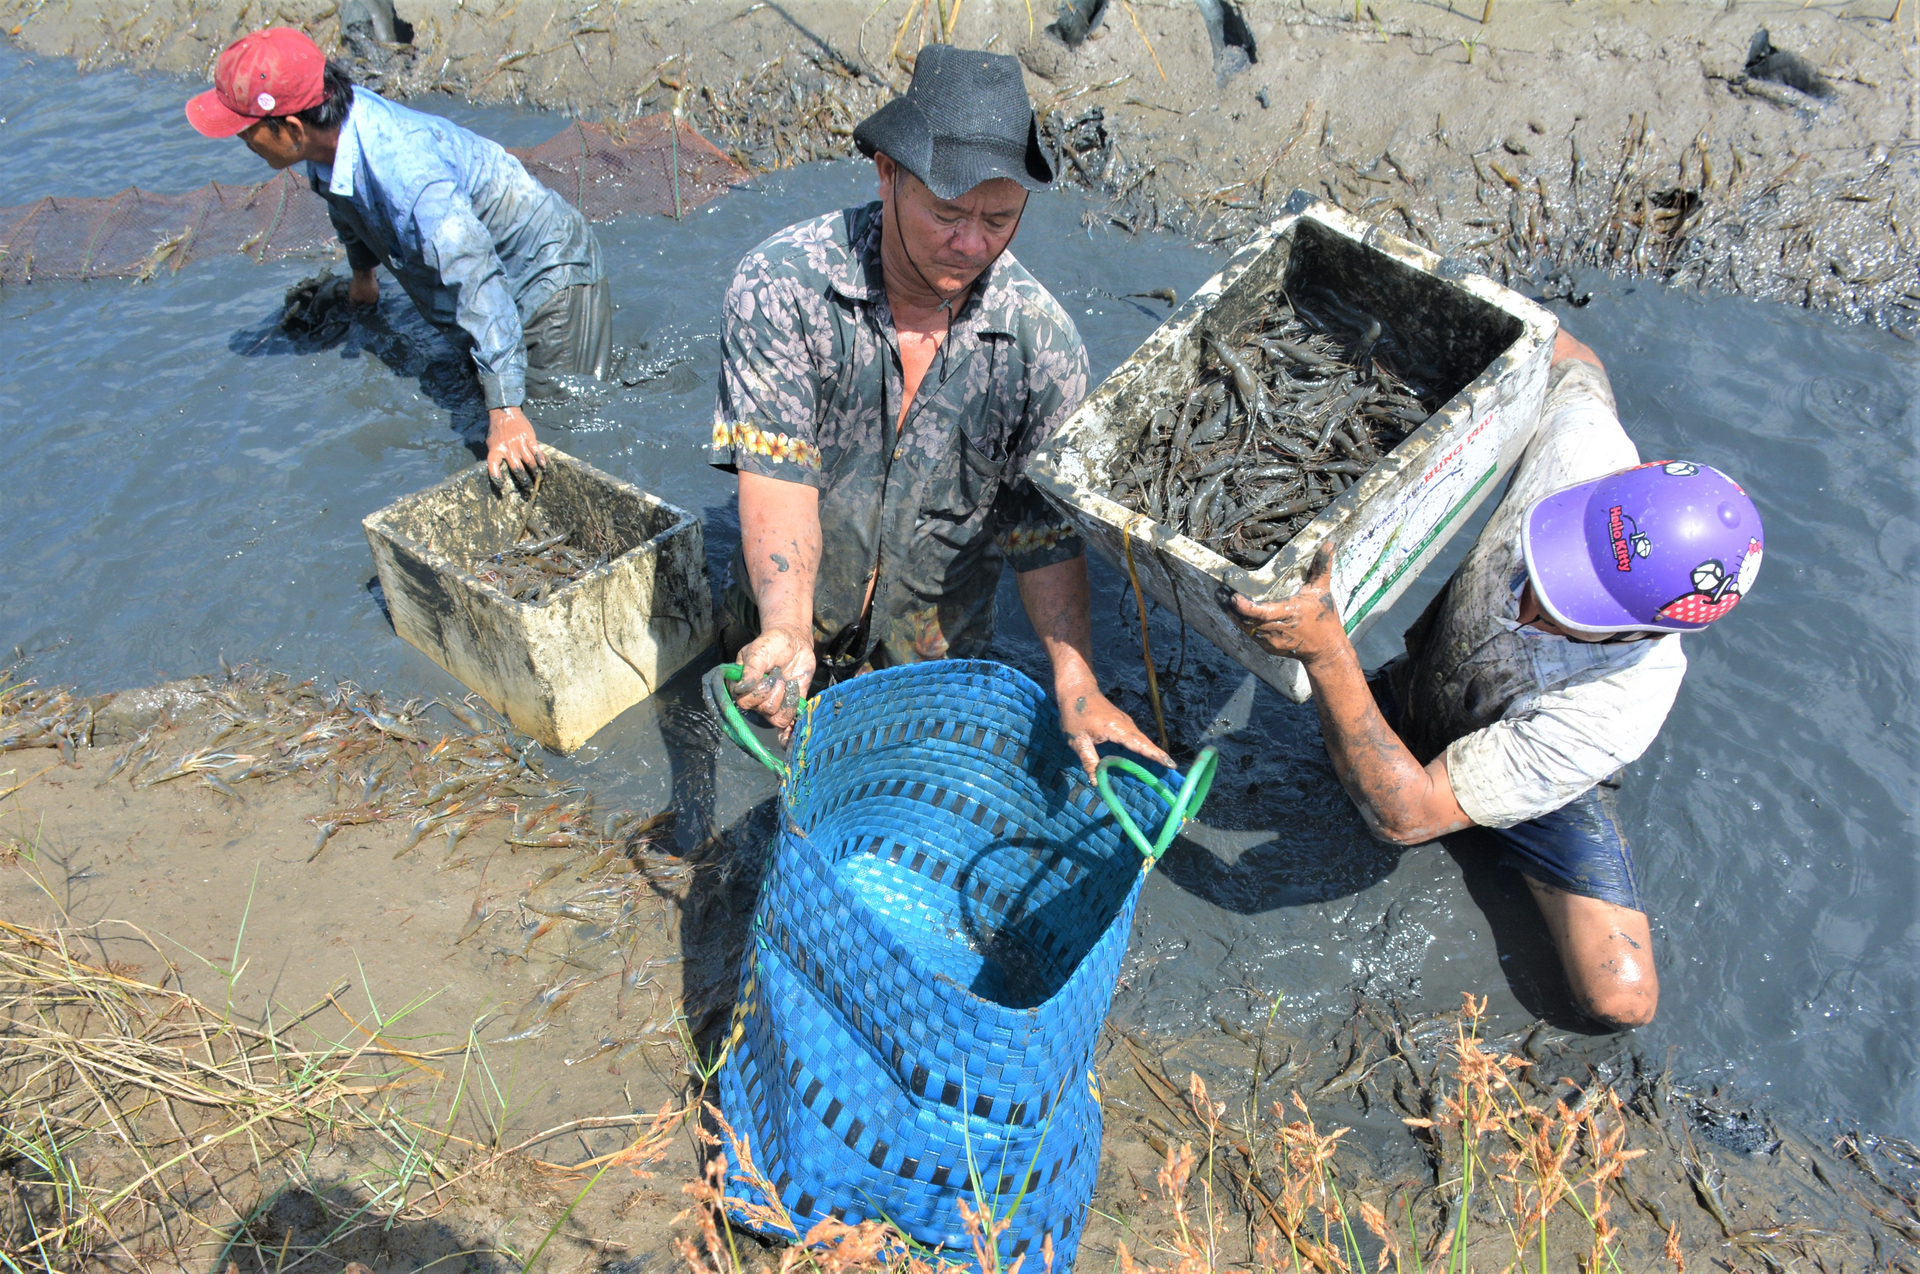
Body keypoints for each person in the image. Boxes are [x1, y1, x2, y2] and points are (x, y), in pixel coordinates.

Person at [1223, 330, 1764, 1030]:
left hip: (1526, 764)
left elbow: (1403, 818)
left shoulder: (1619, 704)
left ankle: (1492, 812)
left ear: (1647, 629)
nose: (1532, 600)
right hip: (1415, 692)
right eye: (1555, 562)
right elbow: (1573, 361)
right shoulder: (1585, 455)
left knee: (1619, 996)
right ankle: (1397, 732)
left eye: (1574, 610)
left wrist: (1327, 655)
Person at [708, 45, 1167, 777]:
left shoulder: (1040, 350)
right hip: (779, 630)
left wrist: (1076, 681)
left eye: (998, 218)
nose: (971, 243)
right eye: (949, 213)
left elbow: (1041, 537)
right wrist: (787, 629)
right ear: (888, 174)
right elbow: (778, 477)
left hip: (928, 668)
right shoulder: (782, 286)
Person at [185, 27, 610, 486]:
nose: (243, 143)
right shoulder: (329, 142)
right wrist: (361, 278)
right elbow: (347, 205)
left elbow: (479, 281)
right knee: (487, 401)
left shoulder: (407, 176)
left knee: (552, 435)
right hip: (483, 264)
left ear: (290, 129)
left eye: (246, 133)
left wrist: (506, 410)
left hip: (545, 276)